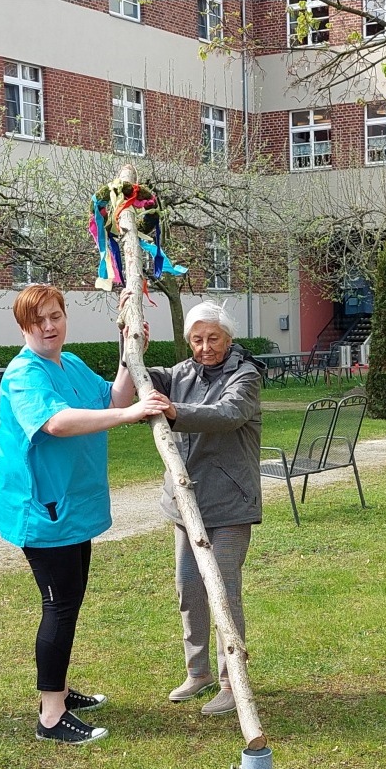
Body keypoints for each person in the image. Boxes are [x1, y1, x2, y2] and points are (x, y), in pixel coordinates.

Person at [0, 284, 170, 745]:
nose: (49, 327)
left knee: (68, 603)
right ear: (23, 327)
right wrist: (132, 415)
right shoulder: (23, 374)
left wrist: (131, 353)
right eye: (38, 321)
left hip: (72, 507)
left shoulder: (67, 363)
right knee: (59, 606)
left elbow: (109, 397)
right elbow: (57, 422)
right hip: (44, 512)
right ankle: (51, 716)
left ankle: (62, 692)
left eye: (55, 316)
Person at [146, 301, 263, 717]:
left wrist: (176, 412)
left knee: (224, 595)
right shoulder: (182, 373)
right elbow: (145, 379)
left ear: (228, 338)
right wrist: (133, 352)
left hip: (229, 505)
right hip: (187, 503)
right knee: (190, 590)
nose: (205, 347)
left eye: (213, 338)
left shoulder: (245, 376)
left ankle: (233, 682)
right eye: (197, 339)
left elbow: (227, 414)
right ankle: (198, 673)